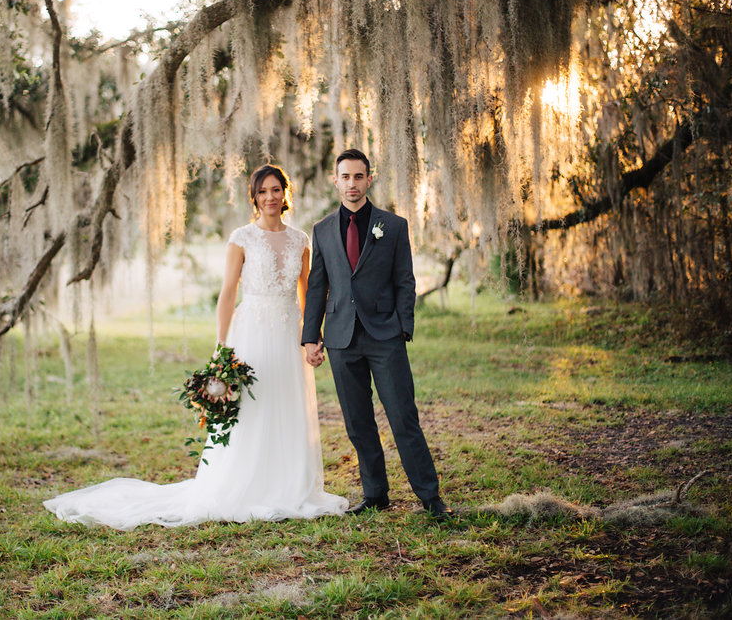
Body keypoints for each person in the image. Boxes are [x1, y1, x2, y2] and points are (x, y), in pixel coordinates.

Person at [44, 164, 348, 529]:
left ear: (286, 193)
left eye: (276, 189)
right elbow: (227, 293)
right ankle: (246, 485)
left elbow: (309, 293)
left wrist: (312, 335)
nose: (270, 196)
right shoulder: (242, 238)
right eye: (263, 191)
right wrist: (221, 347)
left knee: (287, 403)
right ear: (254, 196)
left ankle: (289, 485)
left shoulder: (301, 240)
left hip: (288, 332)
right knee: (252, 408)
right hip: (251, 330)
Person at [301, 148, 452, 521]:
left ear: (369, 179)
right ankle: (375, 494)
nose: (352, 184)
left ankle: (430, 498)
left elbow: (405, 280)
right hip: (340, 338)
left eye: (358, 176)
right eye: (345, 177)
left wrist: (403, 328)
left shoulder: (394, 226)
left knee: (402, 417)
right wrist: (310, 336)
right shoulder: (320, 230)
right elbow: (317, 286)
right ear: (335, 181)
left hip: (385, 336)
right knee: (358, 422)